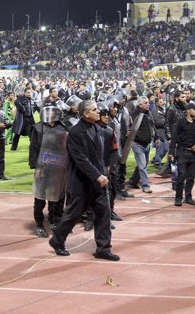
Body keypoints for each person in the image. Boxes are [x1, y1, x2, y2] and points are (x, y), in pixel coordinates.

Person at [49, 100, 119, 261]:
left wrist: (104, 171)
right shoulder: (75, 132)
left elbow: (100, 156)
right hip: (81, 183)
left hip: (99, 183)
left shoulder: (98, 129)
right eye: (94, 110)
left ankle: (103, 248)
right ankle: (57, 240)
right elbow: (80, 159)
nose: (98, 112)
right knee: (73, 215)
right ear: (86, 113)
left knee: (103, 214)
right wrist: (97, 175)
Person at [30, 105, 68, 238]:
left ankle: (55, 221)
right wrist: (35, 167)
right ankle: (39, 224)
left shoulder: (62, 128)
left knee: (57, 197)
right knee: (40, 197)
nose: (50, 115)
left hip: (58, 167)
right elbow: (33, 147)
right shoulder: (38, 127)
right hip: (43, 167)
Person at [173, 103, 195, 206]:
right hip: (182, 151)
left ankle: (188, 197)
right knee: (181, 176)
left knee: (191, 177)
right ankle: (178, 198)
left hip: (193, 154)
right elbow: (174, 137)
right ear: (189, 110)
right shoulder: (181, 123)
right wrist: (171, 152)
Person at [127, 96, 156, 193]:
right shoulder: (134, 114)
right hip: (138, 143)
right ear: (140, 104)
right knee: (143, 166)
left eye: (148, 103)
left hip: (147, 143)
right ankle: (145, 185)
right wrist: (138, 137)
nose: (148, 104)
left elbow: (152, 125)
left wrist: (155, 137)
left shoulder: (148, 113)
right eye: (146, 103)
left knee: (143, 164)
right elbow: (131, 129)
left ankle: (133, 181)